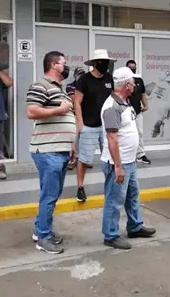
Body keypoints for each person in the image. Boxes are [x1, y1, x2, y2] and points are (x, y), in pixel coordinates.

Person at [101, 67, 156, 249]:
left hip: (129, 160)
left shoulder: (125, 102)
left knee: (132, 196)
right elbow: (112, 138)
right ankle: (110, 235)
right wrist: (118, 166)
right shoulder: (112, 107)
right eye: (133, 83)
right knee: (114, 199)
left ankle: (135, 226)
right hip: (118, 162)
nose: (135, 86)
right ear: (126, 85)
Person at [26, 51, 76, 254]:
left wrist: (71, 145)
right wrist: (59, 110)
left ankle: (41, 230)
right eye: (64, 63)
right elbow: (31, 111)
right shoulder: (40, 85)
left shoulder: (59, 89)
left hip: (60, 149)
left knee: (52, 194)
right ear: (54, 65)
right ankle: (43, 238)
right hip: (48, 150)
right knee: (49, 195)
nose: (67, 66)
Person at [74, 49, 115, 202]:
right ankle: (80, 187)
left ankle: (110, 186)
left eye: (107, 63)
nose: (106, 65)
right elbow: (77, 101)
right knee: (84, 159)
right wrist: (80, 123)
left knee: (110, 158)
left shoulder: (109, 79)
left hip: (107, 126)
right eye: (103, 62)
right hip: (89, 125)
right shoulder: (84, 80)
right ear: (95, 63)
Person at [126, 60, 151, 165]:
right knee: (127, 134)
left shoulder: (139, 80)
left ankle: (141, 154)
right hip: (126, 112)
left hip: (138, 111)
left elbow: (142, 94)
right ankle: (128, 155)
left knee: (139, 133)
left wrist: (146, 105)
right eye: (130, 67)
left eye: (134, 67)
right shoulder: (123, 80)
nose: (132, 69)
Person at [66, 67, 85, 169]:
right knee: (74, 139)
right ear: (75, 75)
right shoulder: (70, 86)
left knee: (85, 139)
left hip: (86, 115)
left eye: (83, 74)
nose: (81, 76)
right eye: (79, 74)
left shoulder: (87, 86)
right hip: (74, 116)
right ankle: (72, 160)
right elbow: (74, 100)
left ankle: (83, 160)